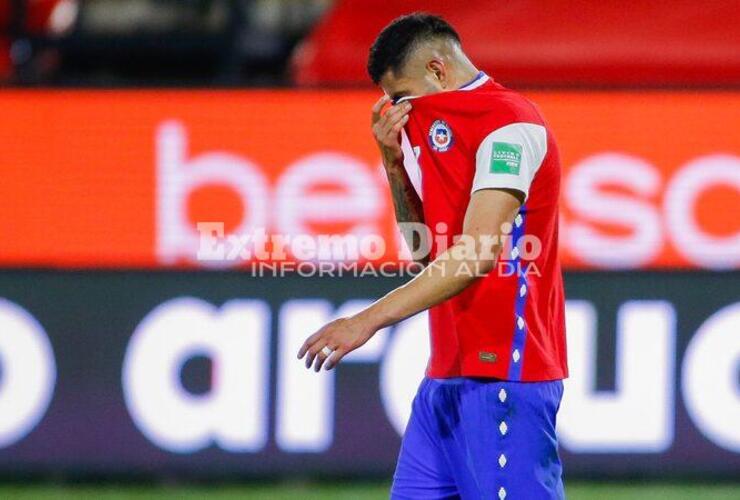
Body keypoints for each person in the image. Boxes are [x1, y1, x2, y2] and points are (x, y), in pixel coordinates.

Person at [298, 13, 567, 499]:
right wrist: (393, 163)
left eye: (400, 97)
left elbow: (475, 256)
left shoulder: (510, 126)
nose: (396, 110)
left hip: (504, 375)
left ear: (439, 71)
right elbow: (428, 253)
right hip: (443, 378)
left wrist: (367, 321)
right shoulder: (439, 130)